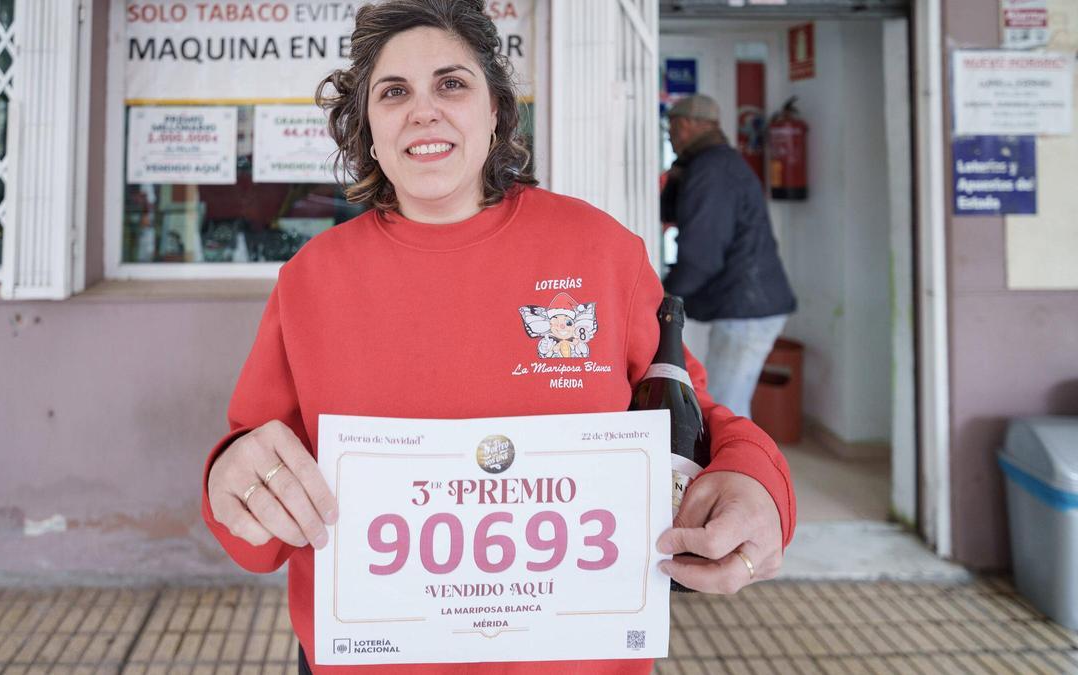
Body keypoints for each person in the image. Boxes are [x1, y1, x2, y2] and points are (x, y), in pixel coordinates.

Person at [202, 3, 796, 673]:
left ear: (495, 112)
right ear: (368, 126)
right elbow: (254, 497)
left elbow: (700, 423)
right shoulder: (310, 279)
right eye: (393, 92)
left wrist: (757, 481)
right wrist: (231, 477)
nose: (422, 109)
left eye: (451, 84)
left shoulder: (600, 252)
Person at [661, 94, 797, 419]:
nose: (670, 135)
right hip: (749, 305)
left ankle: (743, 469)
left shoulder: (712, 170)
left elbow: (702, 253)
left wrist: (665, 297)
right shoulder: (711, 163)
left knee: (724, 412)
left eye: (673, 127)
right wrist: (678, 173)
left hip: (746, 308)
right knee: (729, 404)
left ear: (689, 125)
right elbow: (668, 212)